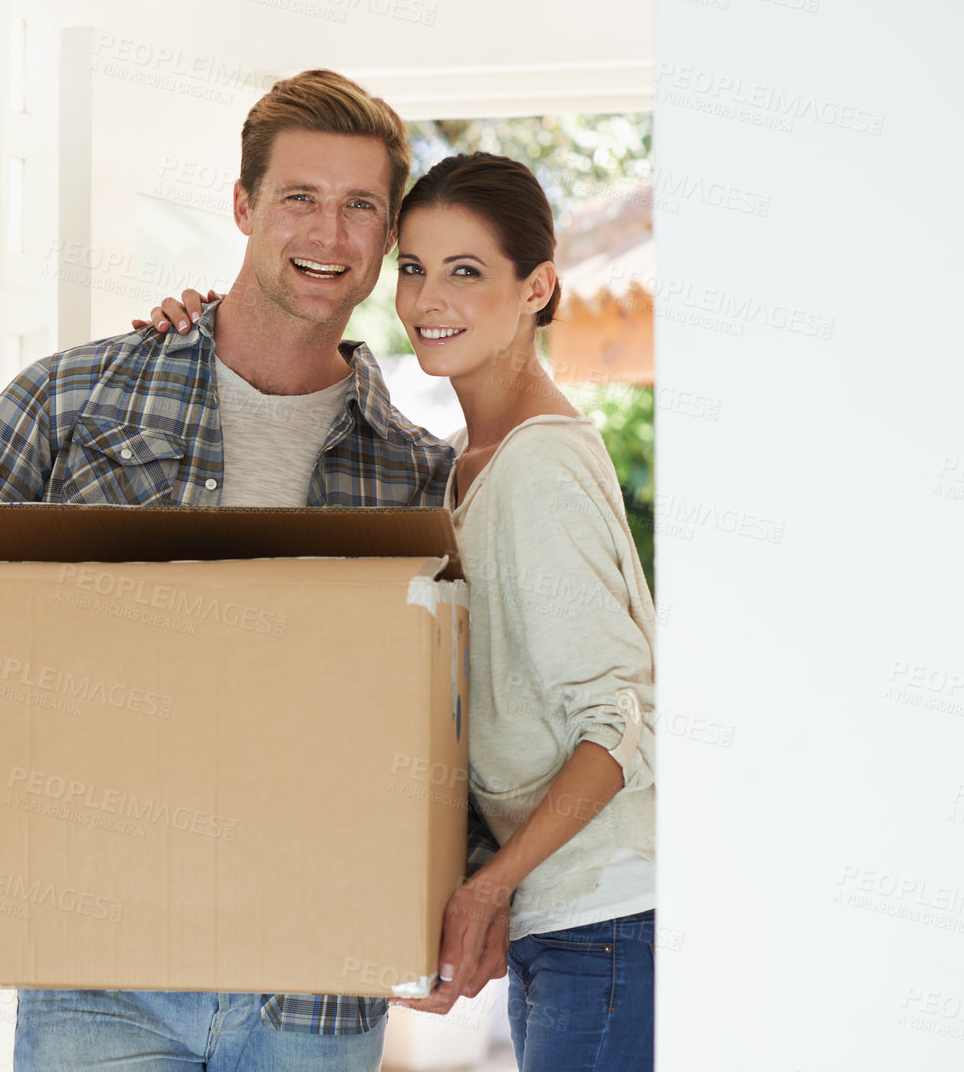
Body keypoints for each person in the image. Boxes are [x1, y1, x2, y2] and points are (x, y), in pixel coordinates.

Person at [0, 70, 508, 1071]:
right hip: (102, 975)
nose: (330, 233)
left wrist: (471, 890)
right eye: (300, 197)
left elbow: (462, 720)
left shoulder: (419, 476)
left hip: (316, 992)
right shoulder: (74, 400)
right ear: (242, 206)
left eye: (361, 207)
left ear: (388, 236)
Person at [145, 151, 658, 1070]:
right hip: (572, 925)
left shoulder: (538, 465)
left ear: (535, 285)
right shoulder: (465, 465)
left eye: (467, 272)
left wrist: (484, 889)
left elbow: (621, 725)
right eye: (415, 268)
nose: (429, 299)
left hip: (608, 923)